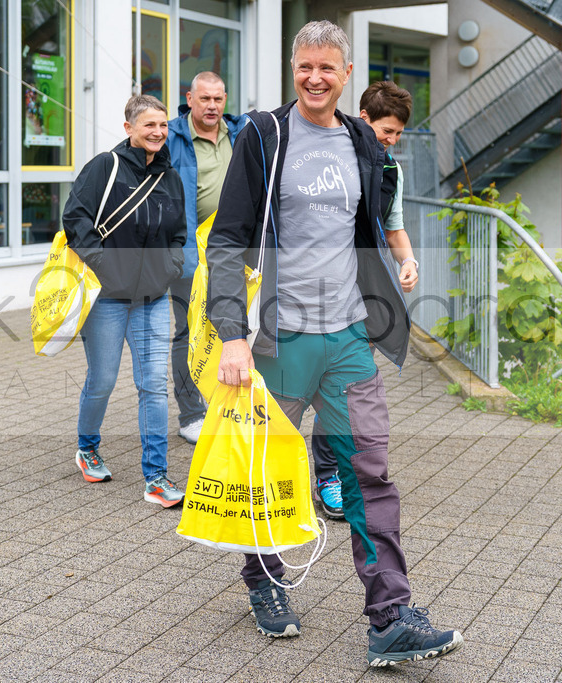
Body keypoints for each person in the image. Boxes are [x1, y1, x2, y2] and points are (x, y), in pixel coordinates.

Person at [205, 20, 463, 667]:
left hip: (348, 337)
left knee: (368, 473)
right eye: (305, 67)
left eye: (327, 68)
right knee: (268, 470)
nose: (315, 78)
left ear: (347, 74)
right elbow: (228, 238)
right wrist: (232, 334)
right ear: (293, 69)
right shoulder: (264, 136)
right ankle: (263, 577)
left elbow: (373, 225)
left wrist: (398, 268)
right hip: (281, 339)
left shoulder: (362, 142)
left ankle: (390, 617)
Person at [62, 94, 187, 508]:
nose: (158, 132)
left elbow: (178, 232)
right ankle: (87, 447)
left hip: (152, 297)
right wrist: (105, 266)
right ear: (129, 127)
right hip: (108, 298)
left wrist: (169, 266)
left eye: (163, 125)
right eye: (149, 125)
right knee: (103, 380)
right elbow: (75, 218)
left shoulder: (170, 176)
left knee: (153, 385)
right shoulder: (106, 167)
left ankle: (156, 477)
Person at [310, 80, 419, 521]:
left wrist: (407, 261)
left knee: (346, 388)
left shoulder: (391, 170)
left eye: (398, 134)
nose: (391, 141)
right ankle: (304, 473)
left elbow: (394, 227)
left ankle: (331, 475)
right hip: (315, 291)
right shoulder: (330, 156)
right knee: (315, 385)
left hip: (364, 293)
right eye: (386, 131)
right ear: (363, 118)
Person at [166, 72, 249, 444]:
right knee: (189, 333)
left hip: (236, 252)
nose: (212, 106)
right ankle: (191, 415)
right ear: (190, 99)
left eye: (218, 99)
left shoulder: (242, 133)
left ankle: (232, 408)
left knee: (236, 330)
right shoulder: (171, 136)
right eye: (205, 99)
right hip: (188, 255)